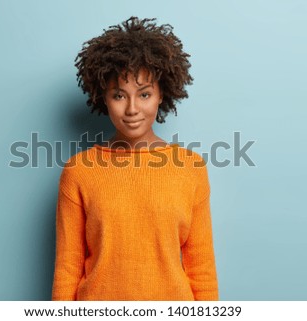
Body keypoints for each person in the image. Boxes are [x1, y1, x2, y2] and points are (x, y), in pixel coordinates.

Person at [52, 16, 218, 301]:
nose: (132, 109)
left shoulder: (191, 169)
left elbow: (201, 268)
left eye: (144, 94)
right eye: (119, 95)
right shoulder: (79, 171)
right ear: (102, 96)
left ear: (161, 94)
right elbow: (67, 268)